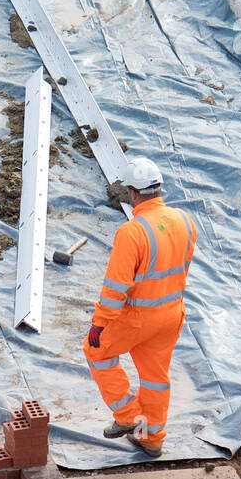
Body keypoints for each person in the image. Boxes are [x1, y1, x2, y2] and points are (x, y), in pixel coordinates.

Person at [84, 158, 197, 457]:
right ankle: (151, 437)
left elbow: (116, 287)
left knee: (96, 351)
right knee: (155, 378)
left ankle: (129, 417)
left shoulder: (132, 232)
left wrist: (100, 323)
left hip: (138, 317)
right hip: (171, 313)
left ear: (133, 194)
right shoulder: (185, 220)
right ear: (158, 189)